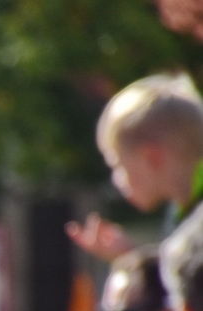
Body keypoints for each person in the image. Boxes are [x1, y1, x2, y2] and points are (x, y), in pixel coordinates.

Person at [70, 73, 203, 262]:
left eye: (118, 165)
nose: (116, 180)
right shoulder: (184, 211)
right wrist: (131, 258)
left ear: (151, 157)